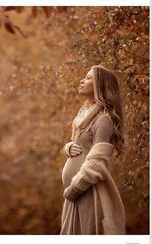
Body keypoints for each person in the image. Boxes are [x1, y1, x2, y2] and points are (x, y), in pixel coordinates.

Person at [60, 64, 126, 235]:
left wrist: (74, 188)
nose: (82, 80)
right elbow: (82, 143)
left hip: (87, 191)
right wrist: (68, 147)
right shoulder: (85, 113)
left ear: (100, 86)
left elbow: (97, 163)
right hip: (74, 196)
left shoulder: (104, 119)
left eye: (89, 78)